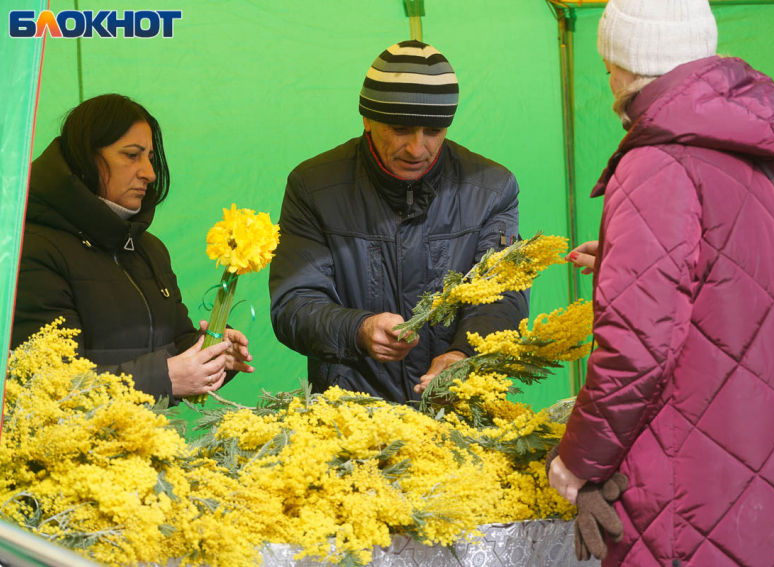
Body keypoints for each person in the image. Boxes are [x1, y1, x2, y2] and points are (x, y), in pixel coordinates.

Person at [547, 1, 774, 565]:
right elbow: (751, 268)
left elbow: (638, 346)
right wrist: (626, 257)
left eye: (608, 64)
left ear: (627, 64)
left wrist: (578, 462)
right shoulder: (766, 144)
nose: (607, 78)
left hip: (707, 470)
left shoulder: (655, 161)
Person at [269, 40, 528, 403]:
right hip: (350, 417)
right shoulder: (314, 187)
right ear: (367, 118)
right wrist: (358, 329)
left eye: (434, 131)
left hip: (458, 406)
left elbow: (503, 295)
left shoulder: (492, 188)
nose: (417, 148)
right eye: (401, 129)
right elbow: (293, 303)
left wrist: (463, 356)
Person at [12, 94, 254, 405]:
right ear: (85, 158)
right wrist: (166, 378)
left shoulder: (150, 250)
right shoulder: (34, 250)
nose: (150, 173)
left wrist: (211, 349)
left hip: (148, 443)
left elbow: (173, 344)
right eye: (131, 155)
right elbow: (49, 388)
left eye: (150, 157)